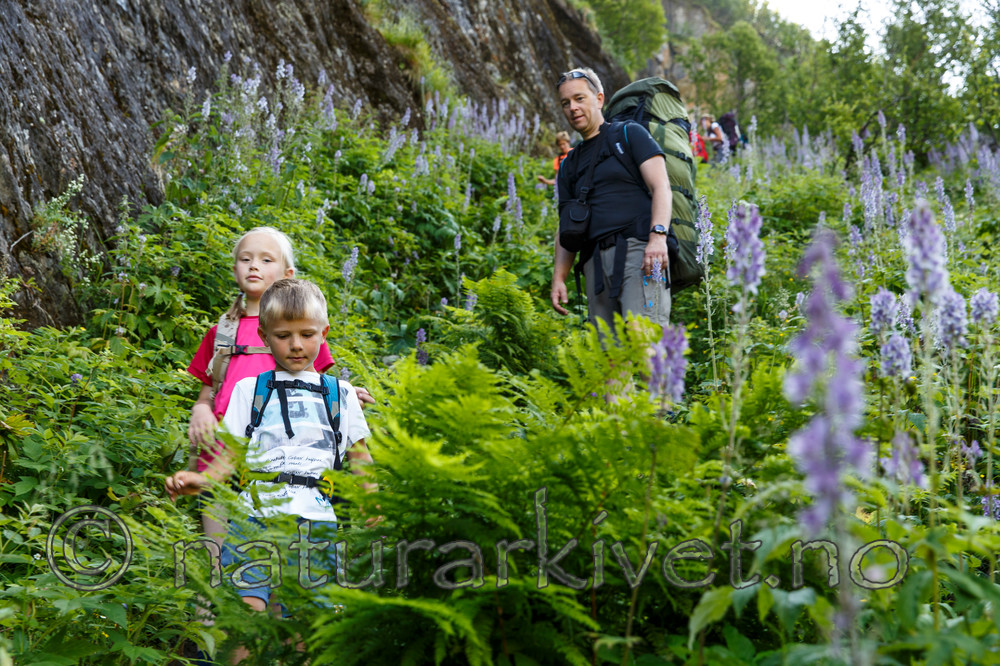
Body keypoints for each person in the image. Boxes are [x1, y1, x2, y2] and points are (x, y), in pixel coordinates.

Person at [166, 278, 377, 657]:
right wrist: (200, 479)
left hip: (316, 518)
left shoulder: (340, 393)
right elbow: (229, 455)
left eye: (307, 334)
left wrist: (372, 504)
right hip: (254, 516)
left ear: (323, 333)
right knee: (245, 615)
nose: (296, 345)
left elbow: (360, 456)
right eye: (283, 336)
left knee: (307, 621)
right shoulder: (251, 389)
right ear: (264, 335)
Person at [186, 226, 372, 545]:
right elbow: (208, 392)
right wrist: (201, 408)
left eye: (265, 259)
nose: (253, 265)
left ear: (287, 273)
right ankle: (216, 589)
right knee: (221, 549)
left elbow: (317, 382)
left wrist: (347, 394)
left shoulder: (301, 327)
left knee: (274, 546)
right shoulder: (223, 331)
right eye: (245, 259)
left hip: (282, 459)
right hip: (224, 453)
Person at [550, 67, 672, 333]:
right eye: (565, 103)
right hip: (594, 266)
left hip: (639, 254)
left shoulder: (629, 134)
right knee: (610, 364)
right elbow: (566, 225)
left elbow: (661, 186)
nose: (572, 107)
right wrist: (559, 277)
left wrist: (658, 237)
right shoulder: (569, 163)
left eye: (579, 98)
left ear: (599, 99)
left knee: (645, 344)